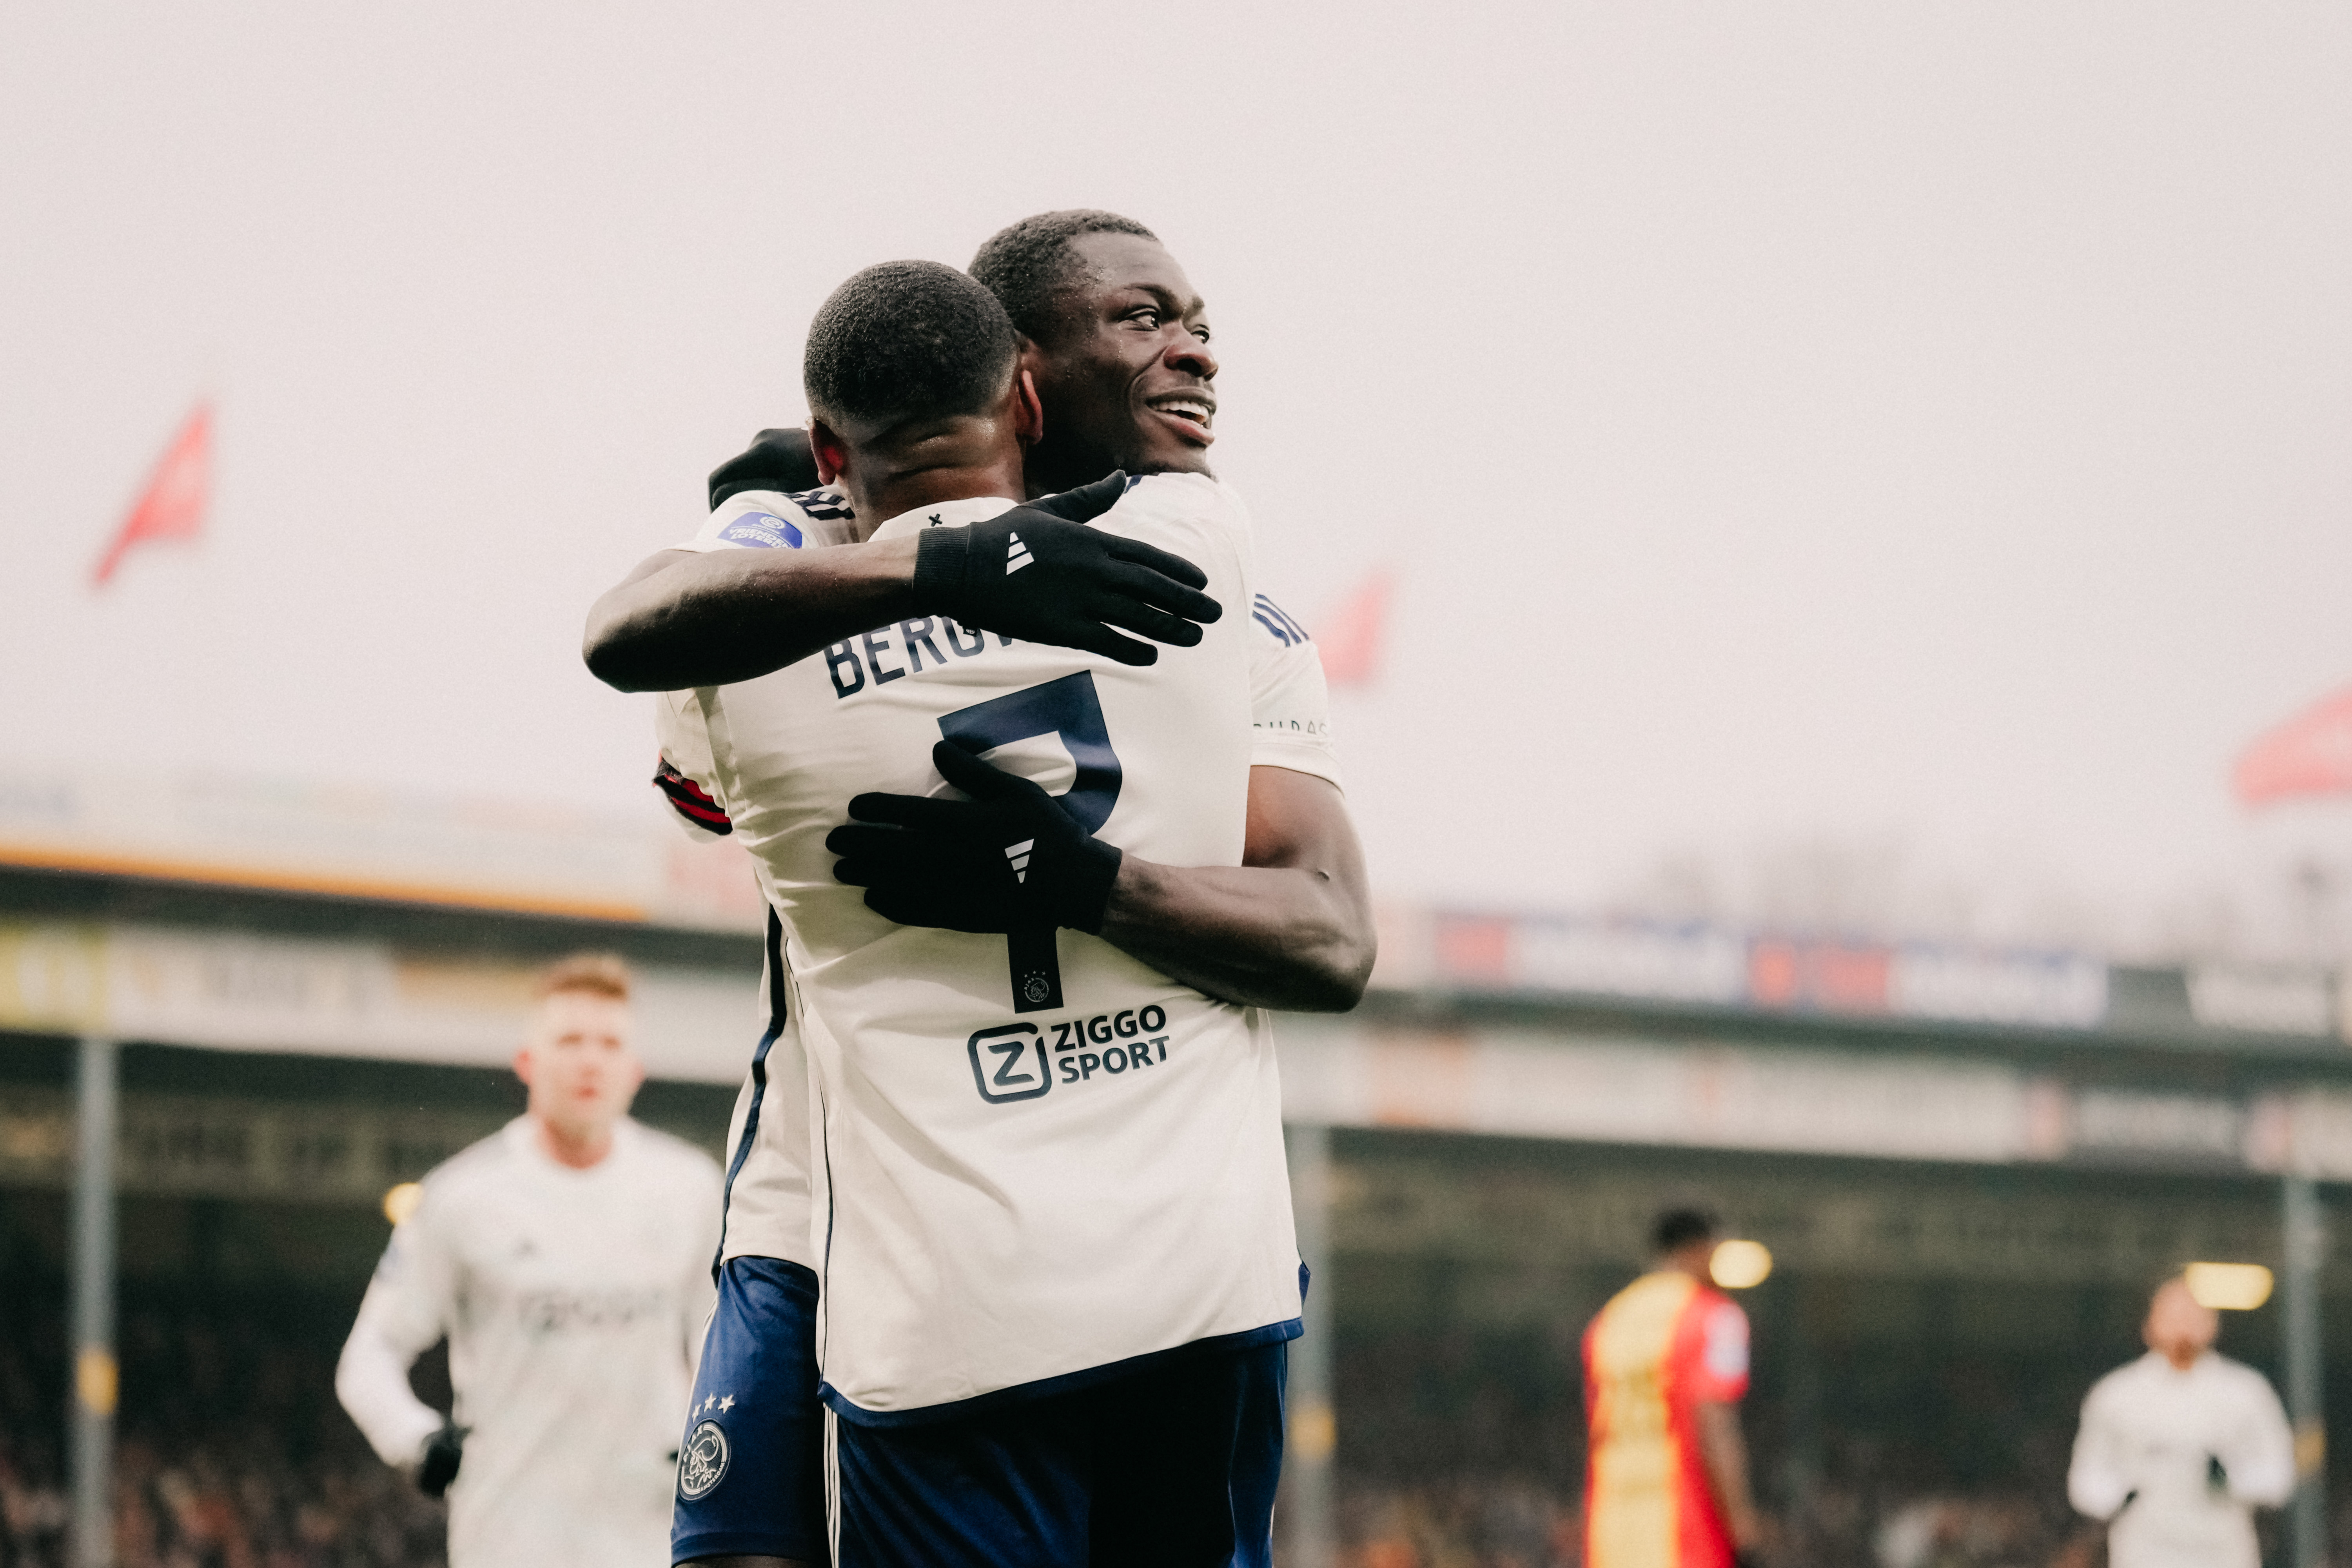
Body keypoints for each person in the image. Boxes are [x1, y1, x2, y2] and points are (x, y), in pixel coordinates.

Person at [599, 212, 1370, 1568]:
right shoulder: (799, 556)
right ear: (1023, 372)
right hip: (820, 1204)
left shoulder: (1230, 607)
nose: (1190, 351)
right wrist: (904, 562)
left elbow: (1331, 935)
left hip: (1125, 1257)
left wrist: (1077, 879)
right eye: (1140, 319)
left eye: (1199, 322)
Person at [334, 953, 722, 1568]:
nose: (590, 1060)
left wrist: (711, 1445)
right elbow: (368, 1357)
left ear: (635, 1069)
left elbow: (722, 1352)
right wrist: (417, 1441)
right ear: (528, 1063)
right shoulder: (460, 1197)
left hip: (649, 1538)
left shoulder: (693, 1191)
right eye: (569, 1040)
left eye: (609, 1043)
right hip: (507, 1538)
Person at [2066, 1275, 2296, 1568]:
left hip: (2223, 1552)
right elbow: (2087, 1479)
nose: (2183, 1325)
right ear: (2149, 1324)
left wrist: (2231, 1478)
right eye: (2172, 1314)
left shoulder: (2247, 1392)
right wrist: (2122, 1492)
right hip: (2143, 1551)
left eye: (2193, 1315)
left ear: (2213, 1324)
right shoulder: (2116, 1394)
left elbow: (2279, 1476)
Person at [1583, 1208, 1764, 1568]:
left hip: (1612, 1533)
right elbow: (1714, 1426)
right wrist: (1743, 1529)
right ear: (1700, 1249)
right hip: (1686, 1534)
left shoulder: (1610, 1321)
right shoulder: (1714, 1316)